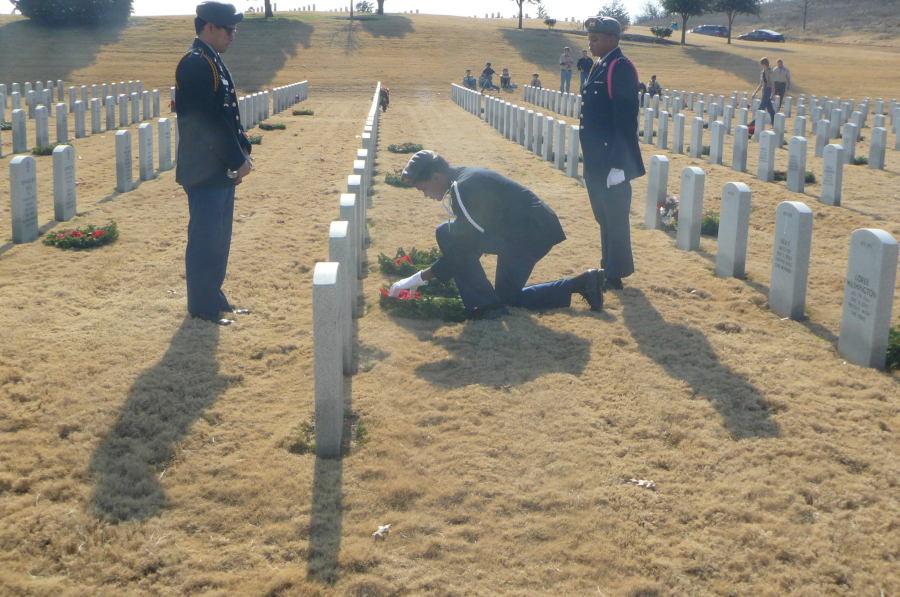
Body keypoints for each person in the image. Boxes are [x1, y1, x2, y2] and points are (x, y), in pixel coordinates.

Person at [389, 150, 605, 318]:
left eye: (423, 189)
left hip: (531, 233)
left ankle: (486, 307)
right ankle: (583, 283)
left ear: (436, 177)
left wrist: (418, 278)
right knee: (450, 234)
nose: (425, 195)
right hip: (522, 230)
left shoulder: (463, 189)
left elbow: (465, 248)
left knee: (450, 237)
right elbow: (470, 244)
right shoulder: (461, 180)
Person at [175, 1, 253, 325]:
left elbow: (227, 115)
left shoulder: (212, 60)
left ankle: (213, 296)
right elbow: (206, 121)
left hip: (217, 167)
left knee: (219, 238)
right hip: (204, 168)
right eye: (229, 29)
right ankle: (201, 306)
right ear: (209, 27)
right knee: (206, 239)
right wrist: (237, 158)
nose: (233, 36)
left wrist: (242, 151)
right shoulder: (195, 64)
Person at [579, 16, 644, 291]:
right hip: (596, 158)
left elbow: (625, 118)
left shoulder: (620, 67)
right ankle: (608, 264)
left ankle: (615, 273)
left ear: (612, 39)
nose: (591, 43)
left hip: (610, 159)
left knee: (614, 216)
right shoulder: (600, 65)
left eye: (596, 38)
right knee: (603, 215)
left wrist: (620, 165)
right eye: (590, 38)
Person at [751, 57, 776, 123]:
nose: (761, 65)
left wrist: (773, 94)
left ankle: (753, 123)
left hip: (768, 90)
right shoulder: (762, 72)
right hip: (764, 90)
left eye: (761, 64)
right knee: (770, 109)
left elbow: (773, 84)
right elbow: (761, 84)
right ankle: (775, 123)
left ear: (764, 64)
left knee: (761, 107)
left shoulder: (770, 72)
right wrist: (755, 92)